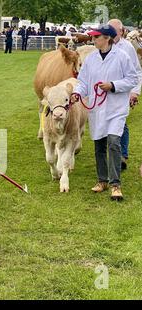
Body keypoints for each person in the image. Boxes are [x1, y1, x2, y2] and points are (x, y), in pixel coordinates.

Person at [72, 24, 139, 201]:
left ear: (107, 38)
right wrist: (77, 93)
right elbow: (83, 82)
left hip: (116, 108)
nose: (93, 40)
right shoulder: (91, 59)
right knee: (99, 145)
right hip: (97, 108)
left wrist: (113, 85)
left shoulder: (122, 56)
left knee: (114, 142)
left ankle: (115, 184)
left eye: (97, 37)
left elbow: (132, 79)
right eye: (93, 37)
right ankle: (102, 180)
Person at [108, 19, 142, 170]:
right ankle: (111, 153)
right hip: (105, 92)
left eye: (114, 30)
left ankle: (122, 154)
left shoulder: (127, 47)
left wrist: (135, 92)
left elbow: (137, 71)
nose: (111, 33)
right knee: (106, 122)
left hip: (123, 90)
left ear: (121, 32)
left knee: (121, 122)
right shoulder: (103, 45)